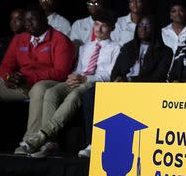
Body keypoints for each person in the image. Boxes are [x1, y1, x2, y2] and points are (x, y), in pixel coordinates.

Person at [19, 13, 121, 158]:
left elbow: (110, 75)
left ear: (112, 28)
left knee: (75, 95)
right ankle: (50, 143)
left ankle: (42, 135)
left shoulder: (116, 48)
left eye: (104, 25)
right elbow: (79, 69)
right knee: (52, 92)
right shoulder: (86, 47)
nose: (99, 28)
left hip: (95, 84)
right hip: (79, 80)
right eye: (97, 24)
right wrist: (74, 76)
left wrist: (85, 78)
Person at [78, 16, 173, 158]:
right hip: (122, 89)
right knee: (90, 95)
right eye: (140, 25)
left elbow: (158, 77)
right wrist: (118, 79)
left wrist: (130, 81)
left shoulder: (165, 51)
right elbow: (116, 71)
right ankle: (93, 143)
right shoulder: (129, 47)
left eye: (147, 25)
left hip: (145, 91)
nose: (143, 28)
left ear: (155, 29)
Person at [0, 6, 75, 105]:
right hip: (21, 83)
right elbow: (5, 66)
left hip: (44, 83)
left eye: (33, 19)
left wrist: (28, 78)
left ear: (45, 19)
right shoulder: (19, 38)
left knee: (39, 89)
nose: (29, 24)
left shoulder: (60, 40)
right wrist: (9, 77)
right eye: (26, 20)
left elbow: (60, 73)